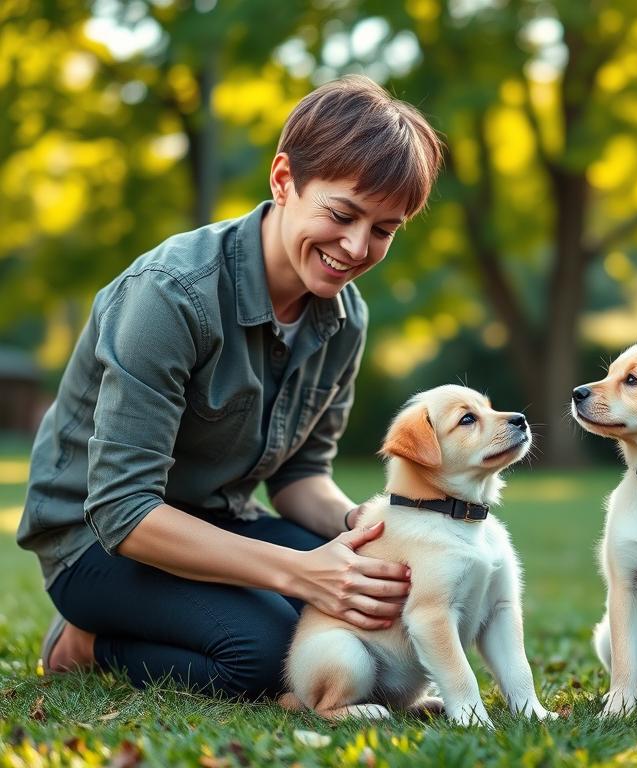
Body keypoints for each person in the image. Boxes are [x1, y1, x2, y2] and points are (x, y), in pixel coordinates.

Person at [16, 75, 444, 699]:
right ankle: (85, 643)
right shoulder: (171, 295)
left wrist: (361, 526)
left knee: (373, 604)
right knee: (268, 655)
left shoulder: (344, 318)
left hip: (217, 520)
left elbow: (300, 475)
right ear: (282, 180)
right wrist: (303, 573)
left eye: (384, 229)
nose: (356, 247)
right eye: (342, 214)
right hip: (98, 542)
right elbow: (124, 510)